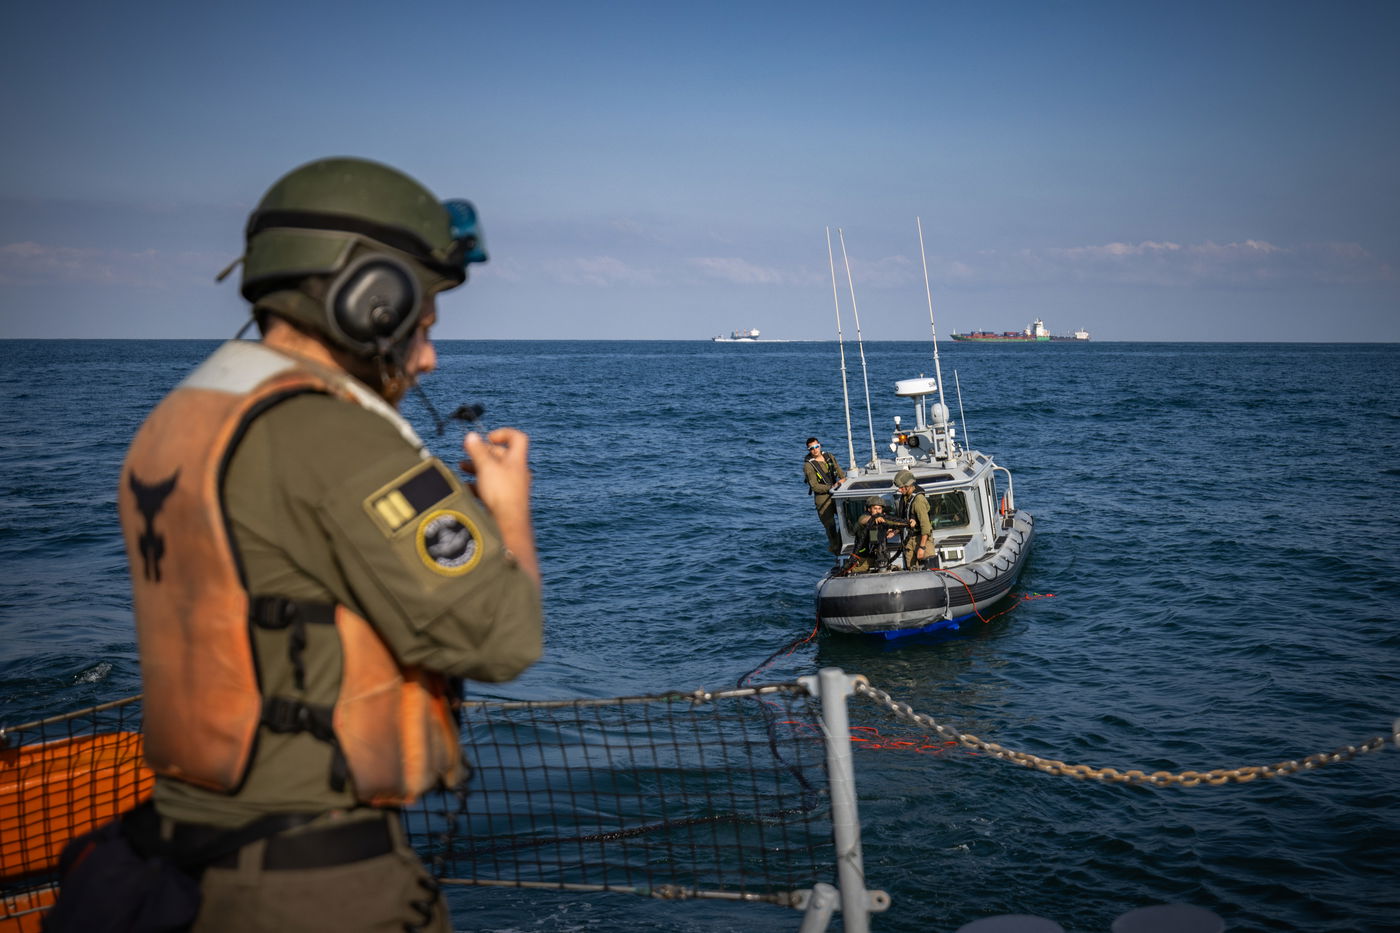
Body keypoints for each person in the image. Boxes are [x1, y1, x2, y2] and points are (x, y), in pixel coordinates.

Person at [112, 157, 543, 933]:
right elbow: (503, 637)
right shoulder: (335, 435)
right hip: (316, 883)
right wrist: (509, 511)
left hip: (186, 859)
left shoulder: (182, 416)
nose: (429, 356)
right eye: (422, 324)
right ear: (371, 301)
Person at [803, 437, 846, 554]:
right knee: (830, 525)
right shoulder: (808, 466)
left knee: (846, 517)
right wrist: (831, 487)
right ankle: (836, 548)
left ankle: (844, 541)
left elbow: (838, 470)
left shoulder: (829, 456)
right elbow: (814, 486)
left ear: (820, 445)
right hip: (822, 497)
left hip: (836, 492)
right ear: (808, 450)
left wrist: (843, 479)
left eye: (816, 446)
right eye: (811, 448)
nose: (815, 450)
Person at [893, 469, 934, 570]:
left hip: (921, 539)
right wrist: (895, 531)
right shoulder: (905, 497)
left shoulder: (919, 500)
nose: (899, 490)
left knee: (928, 568)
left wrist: (922, 547)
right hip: (909, 539)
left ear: (908, 486)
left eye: (901, 487)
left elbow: (925, 526)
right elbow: (905, 517)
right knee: (911, 569)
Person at [847, 496, 894, 573]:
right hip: (864, 556)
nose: (877, 511)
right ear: (869, 509)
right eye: (875, 508)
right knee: (857, 571)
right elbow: (862, 520)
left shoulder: (882, 519)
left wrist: (894, 531)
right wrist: (873, 518)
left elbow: (893, 524)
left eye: (879, 509)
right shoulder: (864, 517)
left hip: (878, 555)